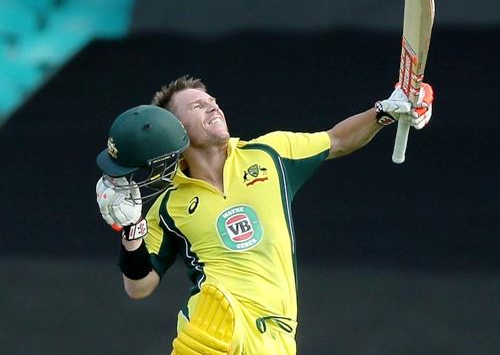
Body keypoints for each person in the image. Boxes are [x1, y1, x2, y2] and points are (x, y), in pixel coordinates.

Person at [96, 76, 433, 354]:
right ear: (176, 130)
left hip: (278, 336)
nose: (212, 105)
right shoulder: (168, 206)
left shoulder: (271, 153)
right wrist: (131, 236)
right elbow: (139, 287)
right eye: (197, 105)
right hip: (219, 327)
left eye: (212, 100)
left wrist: (384, 113)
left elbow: (338, 140)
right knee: (216, 314)